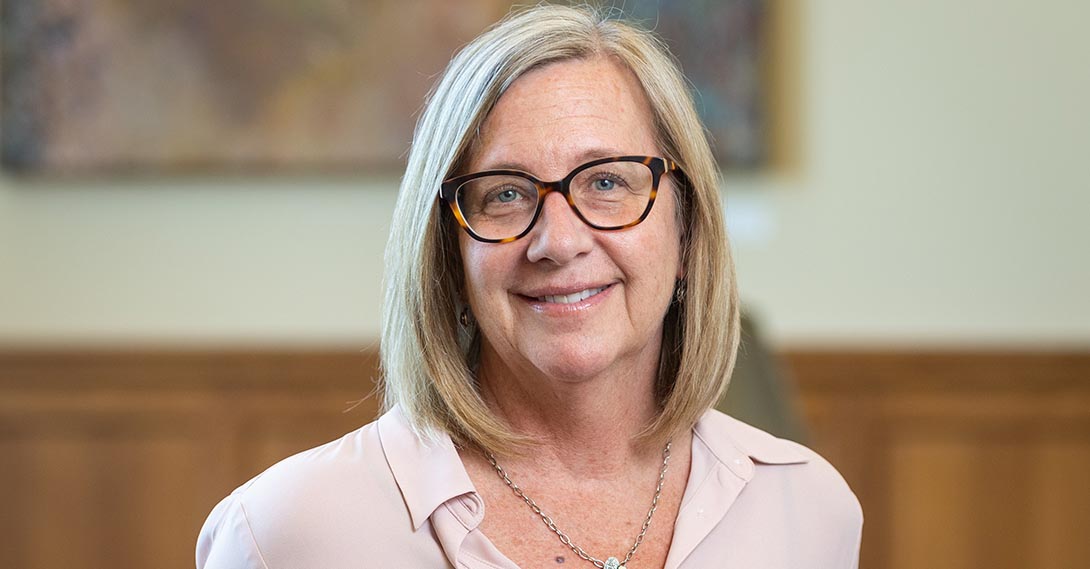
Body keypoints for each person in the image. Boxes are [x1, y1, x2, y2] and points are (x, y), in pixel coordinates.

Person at [196, 5, 862, 568]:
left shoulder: (807, 511)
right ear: (448, 256)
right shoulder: (287, 531)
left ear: (685, 231)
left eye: (607, 181)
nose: (558, 242)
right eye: (506, 194)